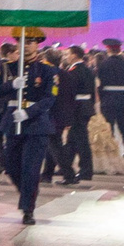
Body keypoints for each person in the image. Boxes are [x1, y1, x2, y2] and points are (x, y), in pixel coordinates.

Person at [0, 36, 60, 224]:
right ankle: (28, 193)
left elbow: (49, 98)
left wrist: (29, 112)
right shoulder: (9, 68)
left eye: (30, 42)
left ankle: (28, 209)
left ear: (36, 45)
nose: (27, 45)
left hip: (36, 123)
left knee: (30, 169)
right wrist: (12, 84)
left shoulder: (47, 70)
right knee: (10, 165)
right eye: (23, 42)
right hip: (13, 121)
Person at [51, 44, 95, 186]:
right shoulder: (87, 69)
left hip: (78, 107)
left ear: (75, 55)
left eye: (68, 54)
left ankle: (86, 170)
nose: (66, 56)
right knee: (72, 139)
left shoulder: (75, 71)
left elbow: (71, 91)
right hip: (85, 106)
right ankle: (66, 166)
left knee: (81, 140)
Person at [95, 39, 124, 170]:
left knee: (108, 130)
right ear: (119, 50)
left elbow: (100, 86)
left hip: (108, 100)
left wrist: (102, 98)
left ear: (108, 50)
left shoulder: (102, 65)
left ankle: (111, 157)